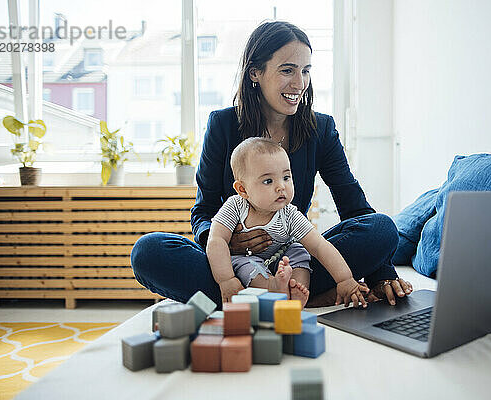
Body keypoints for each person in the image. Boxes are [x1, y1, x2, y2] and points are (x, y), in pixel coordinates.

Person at [131, 20, 412, 308]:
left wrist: (382, 275)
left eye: (305, 71)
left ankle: (259, 299)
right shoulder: (223, 125)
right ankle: (295, 297)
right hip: (231, 262)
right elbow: (203, 211)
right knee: (149, 251)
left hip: (292, 260)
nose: (299, 83)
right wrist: (229, 242)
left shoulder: (321, 129)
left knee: (381, 228)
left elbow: (354, 208)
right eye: (287, 70)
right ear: (255, 72)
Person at [208, 137, 369, 309]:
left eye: (286, 177)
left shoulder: (289, 213)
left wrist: (344, 279)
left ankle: (296, 292)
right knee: (243, 265)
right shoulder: (235, 206)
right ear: (243, 189)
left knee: (299, 252)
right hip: (249, 259)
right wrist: (226, 280)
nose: (281, 187)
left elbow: (319, 246)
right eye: (268, 181)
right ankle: (273, 288)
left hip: (282, 256)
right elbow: (216, 240)